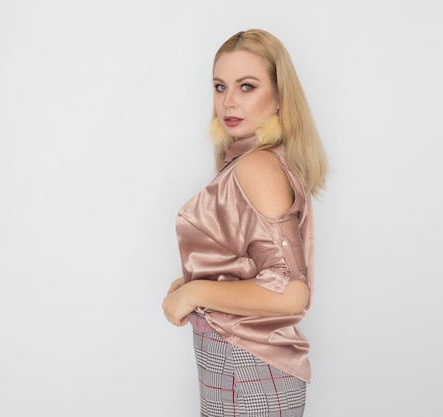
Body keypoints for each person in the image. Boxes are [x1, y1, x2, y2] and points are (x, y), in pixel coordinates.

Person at [162, 28, 327, 417]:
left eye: (247, 86)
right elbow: (248, 263)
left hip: (247, 371)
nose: (228, 101)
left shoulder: (258, 165)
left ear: (280, 97)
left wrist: (195, 293)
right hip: (238, 368)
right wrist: (193, 280)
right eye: (220, 86)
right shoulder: (252, 160)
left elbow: (291, 292)